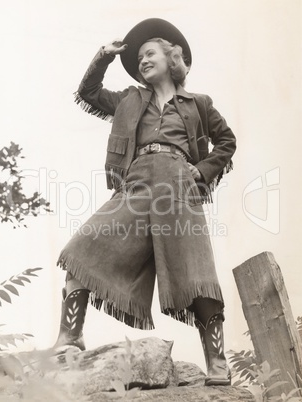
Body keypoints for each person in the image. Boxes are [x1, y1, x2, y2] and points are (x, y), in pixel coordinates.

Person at [53, 18, 236, 386]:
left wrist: (200, 172)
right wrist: (102, 57)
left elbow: (227, 142)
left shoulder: (198, 103)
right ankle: (70, 335)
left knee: (195, 271)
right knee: (84, 247)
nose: (142, 61)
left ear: (172, 58)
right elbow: (89, 93)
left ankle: (217, 362)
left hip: (179, 184)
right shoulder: (129, 100)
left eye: (149, 54)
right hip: (136, 181)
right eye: (138, 59)